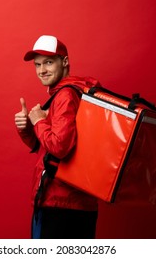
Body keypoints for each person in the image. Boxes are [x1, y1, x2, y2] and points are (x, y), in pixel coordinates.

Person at [14, 35, 101, 239]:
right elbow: (45, 147)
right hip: (78, 203)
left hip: (60, 203)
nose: (41, 70)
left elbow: (60, 146)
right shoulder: (77, 91)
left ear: (65, 62)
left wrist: (38, 121)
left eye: (48, 62)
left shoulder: (65, 96)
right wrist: (27, 127)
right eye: (37, 65)